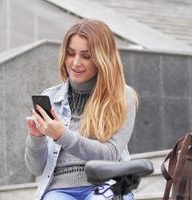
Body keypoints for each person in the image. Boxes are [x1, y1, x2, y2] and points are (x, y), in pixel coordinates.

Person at [24, 18, 138, 200]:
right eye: (70, 53)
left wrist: (63, 136)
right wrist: (36, 138)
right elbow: (36, 168)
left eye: (86, 56)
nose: (76, 63)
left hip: (108, 184)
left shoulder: (122, 97)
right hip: (60, 189)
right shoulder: (51, 97)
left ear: (103, 59)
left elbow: (110, 154)